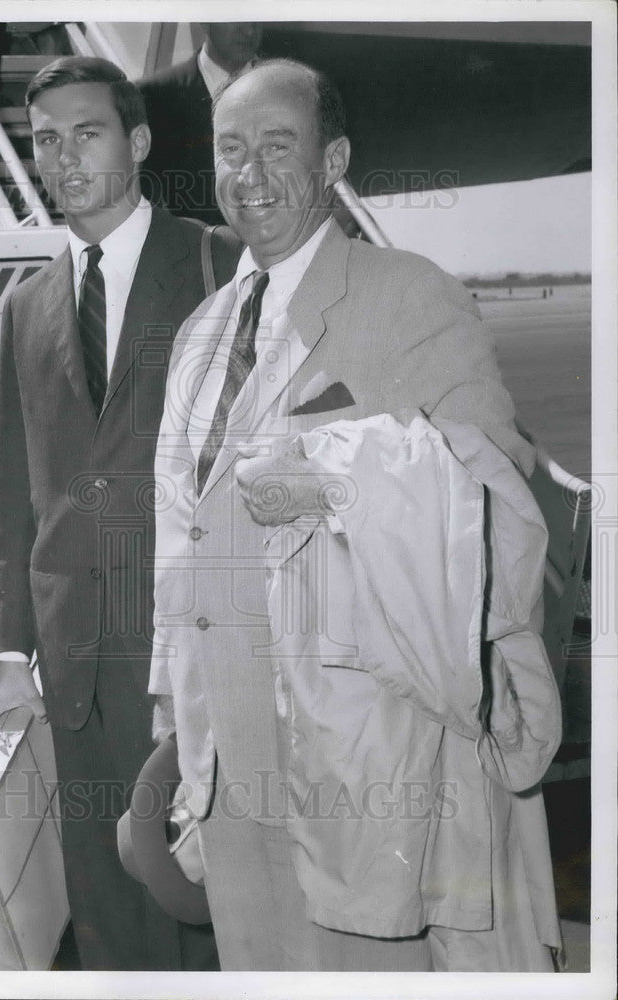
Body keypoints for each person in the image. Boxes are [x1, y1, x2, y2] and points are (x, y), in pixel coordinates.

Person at [148, 59, 563, 971]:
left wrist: (336, 479)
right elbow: (177, 536)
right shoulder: (201, 331)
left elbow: (494, 498)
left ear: (332, 157)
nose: (247, 173)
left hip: (357, 767)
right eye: (228, 149)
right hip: (223, 763)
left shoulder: (408, 295)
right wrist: (173, 724)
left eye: (275, 146)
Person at [0, 55, 240, 971]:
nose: (62, 156)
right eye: (45, 140)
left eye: (85, 131)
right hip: (74, 656)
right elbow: (18, 487)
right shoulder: (26, 306)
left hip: (191, 644)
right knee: (105, 903)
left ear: (134, 141)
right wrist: (7, 654)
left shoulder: (217, 262)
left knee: (205, 892)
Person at [139, 23, 263, 225]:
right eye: (235, 16)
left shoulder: (294, 89)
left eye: (254, 17)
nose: (249, 30)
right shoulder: (154, 97)